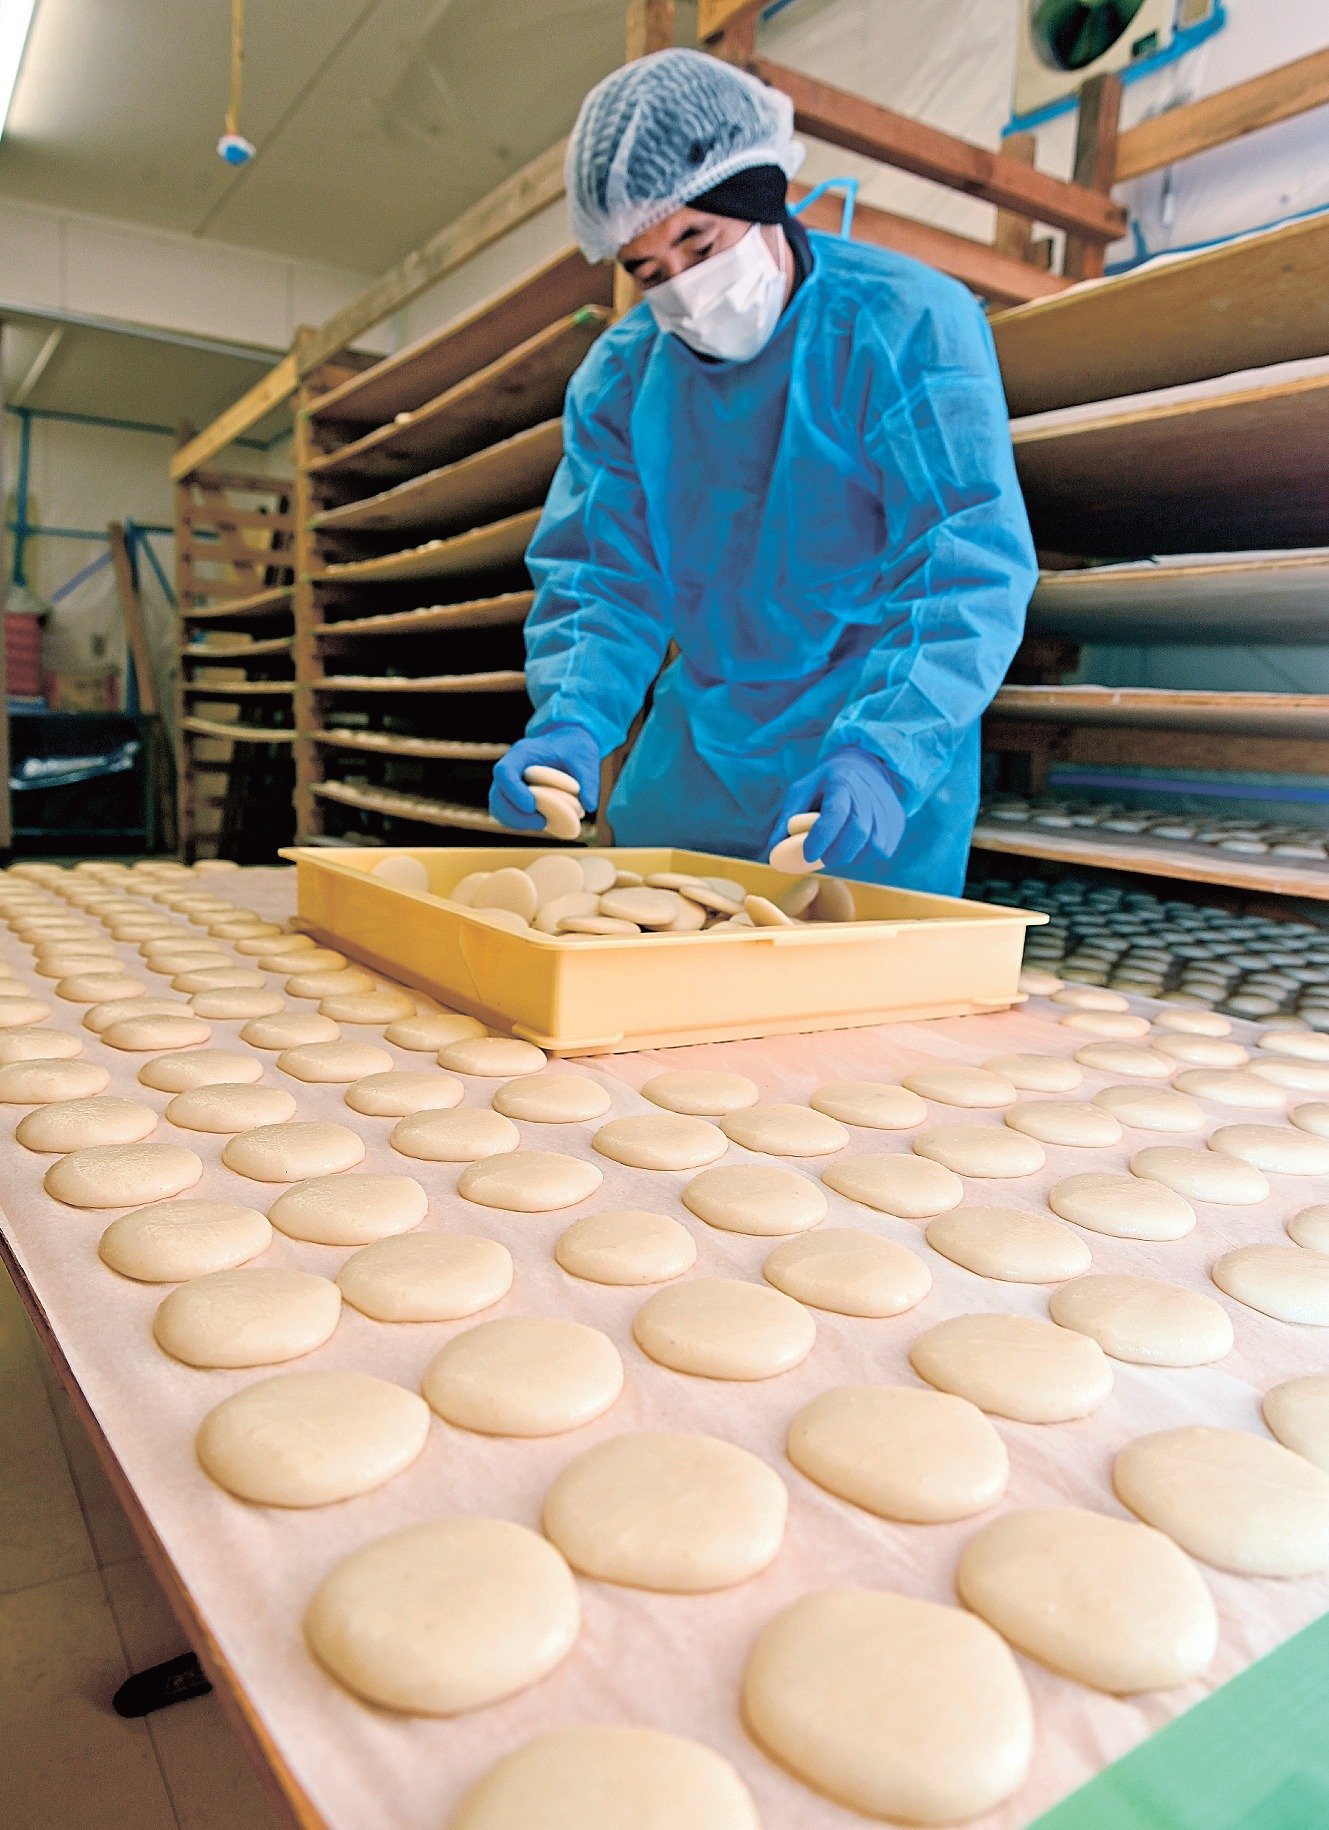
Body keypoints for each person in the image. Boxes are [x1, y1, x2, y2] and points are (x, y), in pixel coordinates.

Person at [489, 48, 1036, 895]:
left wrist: (883, 754)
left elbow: (963, 561)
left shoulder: (902, 322)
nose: (683, 291)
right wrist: (571, 722)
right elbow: (602, 580)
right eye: (647, 271)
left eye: (698, 242)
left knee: (858, 1004)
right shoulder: (620, 380)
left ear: (759, 198)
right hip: (701, 747)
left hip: (869, 736)